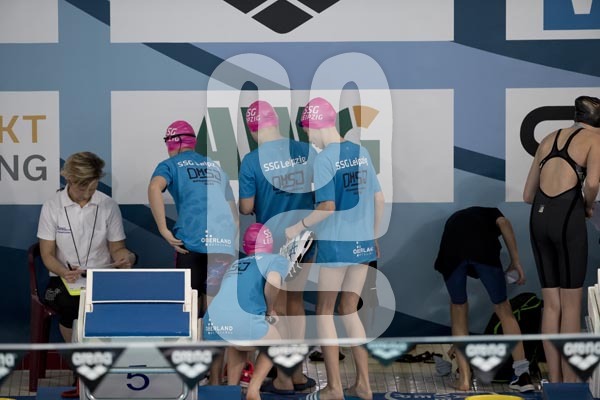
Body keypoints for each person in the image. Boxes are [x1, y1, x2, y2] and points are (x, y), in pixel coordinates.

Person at [286, 97, 384, 400]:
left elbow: (326, 207)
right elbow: (379, 199)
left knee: (325, 311)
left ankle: (334, 388)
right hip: (363, 244)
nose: (309, 139)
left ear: (315, 126)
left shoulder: (324, 159)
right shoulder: (361, 152)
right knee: (349, 310)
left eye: (307, 132)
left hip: (336, 246)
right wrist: (373, 235)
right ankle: (364, 384)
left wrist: (298, 227)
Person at [37, 151, 136, 398]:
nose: (88, 194)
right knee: (71, 306)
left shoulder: (108, 205)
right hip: (62, 278)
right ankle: (82, 369)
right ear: (70, 180)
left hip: (101, 276)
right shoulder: (52, 207)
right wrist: (63, 271)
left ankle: (107, 369)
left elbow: (117, 248)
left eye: (93, 188)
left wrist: (126, 257)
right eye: (84, 188)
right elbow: (47, 254)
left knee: (112, 304)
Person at [148, 120, 238, 385]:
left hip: (190, 244)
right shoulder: (215, 167)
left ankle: (194, 377)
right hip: (222, 247)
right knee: (215, 315)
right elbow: (234, 216)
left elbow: (154, 188)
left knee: (190, 312)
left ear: (172, 143)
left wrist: (163, 229)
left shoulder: (171, 164)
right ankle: (216, 381)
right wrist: (227, 242)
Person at [239, 100, 316, 393]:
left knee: (277, 308)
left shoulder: (251, 160)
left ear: (252, 129)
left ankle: (282, 378)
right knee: (296, 305)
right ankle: (297, 373)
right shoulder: (305, 150)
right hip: (305, 238)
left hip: (273, 242)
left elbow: (246, 207)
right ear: (276, 121)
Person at [523, 96, 600, 383]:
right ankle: (569, 384)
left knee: (551, 304)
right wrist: (587, 206)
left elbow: (527, 195)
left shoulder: (548, 138)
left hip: (538, 219)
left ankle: (553, 381)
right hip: (567, 218)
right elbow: (592, 183)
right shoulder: (595, 139)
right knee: (571, 305)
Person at [434, 206, 534, 392]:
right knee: (503, 308)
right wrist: (515, 260)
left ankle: (464, 380)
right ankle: (522, 375)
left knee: (458, 309)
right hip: (482, 248)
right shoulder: (493, 212)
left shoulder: (461, 218)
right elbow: (504, 223)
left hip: (452, 248)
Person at [203, 223, 288, 400]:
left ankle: (232, 390)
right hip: (241, 323)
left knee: (239, 341)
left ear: (245, 245)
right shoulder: (276, 259)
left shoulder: (237, 263)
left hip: (211, 323)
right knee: (276, 341)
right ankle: (253, 390)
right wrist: (270, 310)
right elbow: (273, 282)